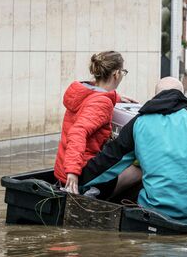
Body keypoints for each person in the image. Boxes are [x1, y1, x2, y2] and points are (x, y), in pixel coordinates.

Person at [78, 77, 187, 227]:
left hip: (154, 214)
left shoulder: (137, 123)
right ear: (182, 95)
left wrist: (76, 180)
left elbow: (108, 161)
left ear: (155, 96)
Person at [53, 51, 138, 194]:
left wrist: (116, 97)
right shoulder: (102, 102)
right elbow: (78, 132)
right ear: (116, 74)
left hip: (61, 169)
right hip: (81, 171)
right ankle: (100, 194)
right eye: (123, 72)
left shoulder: (82, 91)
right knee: (138, 168)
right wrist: (73, 172)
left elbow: (93, 100)